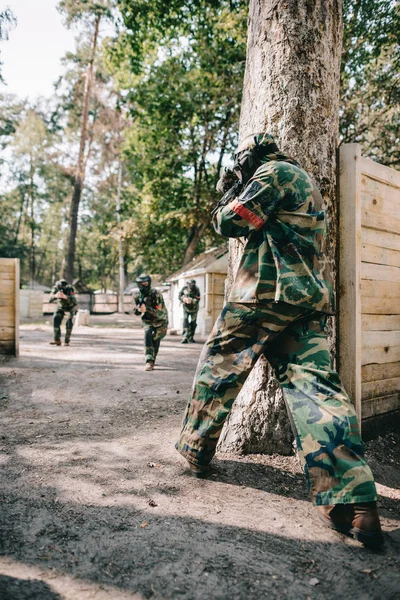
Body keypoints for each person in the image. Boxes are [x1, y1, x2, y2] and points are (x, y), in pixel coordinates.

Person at [176, 132, 383, 549]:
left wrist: (230, 194)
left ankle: (195, 447)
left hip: (263, 296)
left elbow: (230, 221)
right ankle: (356, 503)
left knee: (219, 367)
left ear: (252, 159)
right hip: (304, 303)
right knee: (317, 394)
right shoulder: (304, 182)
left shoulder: (273, 173)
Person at [133, 273, 168, 371]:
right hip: (148, 320)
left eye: (145, 283)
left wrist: (147, 309)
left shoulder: (156, 294)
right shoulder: (137, 295)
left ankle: (153, 358)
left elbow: (159, 313)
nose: (143, 286)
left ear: (149, 283)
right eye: (140, 284)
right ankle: (149, 361)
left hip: (161, 320)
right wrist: (138, 309)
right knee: (148, 333)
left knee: (155, 340)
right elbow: (136, 311)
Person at [49, 279, 78, 346]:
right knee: (56, 319)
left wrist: (66, 297)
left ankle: (66, 341)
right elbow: (50, 298)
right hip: (61, 307)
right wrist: (55, 296)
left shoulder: (70, 288)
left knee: (69, 323)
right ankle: (57, 340)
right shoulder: (56, 288)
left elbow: (74, 301)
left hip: (70, 307)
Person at [179, 279, 201, 343]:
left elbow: (198, 298)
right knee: (185, 322)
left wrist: (191, 300)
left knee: (193, 323)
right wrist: (183, 299)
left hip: (194, 309)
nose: (191, 286)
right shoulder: (184, 289)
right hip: (186, 308)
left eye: (192, 284)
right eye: (189, 284)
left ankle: (191, 337)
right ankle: (184, 337)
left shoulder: (197, 289)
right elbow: (179, 296)